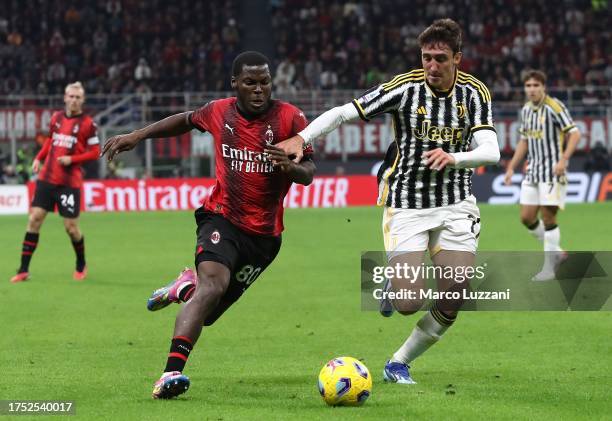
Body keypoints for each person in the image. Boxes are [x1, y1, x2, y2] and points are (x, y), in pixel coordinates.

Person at [276, 19, 500, 384]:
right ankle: (395, 286)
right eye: (426, 57)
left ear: (457, 58)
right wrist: (302, 136)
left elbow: (491, 151)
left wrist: (454, 158)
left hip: (456, 203)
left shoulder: (475, 94)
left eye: (440, 58)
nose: (431, 65)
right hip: (407, 204)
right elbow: (345, 112)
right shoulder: (404, 88)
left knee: (454, 295)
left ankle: (399, 362)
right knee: (409, 301)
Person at [101, 51, 315, 399]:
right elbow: (185, 120)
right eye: (250, 82)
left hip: (265, 237)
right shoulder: (219, 111)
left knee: (208, 311)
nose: (259, 89)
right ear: (235, 84)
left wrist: (291, 169)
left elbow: (309, 172)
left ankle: (184, 287)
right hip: (222, 218)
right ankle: (170, 373)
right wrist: (138, 135)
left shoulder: (291, 118)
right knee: (213, 286)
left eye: (265, 82)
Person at [10, 82, 100, 283]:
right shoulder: (56, 118)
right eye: (71, 96)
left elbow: (95, 152)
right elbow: (51, 141)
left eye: (78, 97)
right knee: (34, 219)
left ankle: (80, 264)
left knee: (71, 227)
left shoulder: (88, 124)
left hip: (69, 183)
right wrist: (39, 158)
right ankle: (23, 269)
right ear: (65, 97)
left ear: (82, 100)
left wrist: (72, 160)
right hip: (47, 178)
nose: (74, 100)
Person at [504, 70, 580, 281]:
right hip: (532, 171)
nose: (531, 89)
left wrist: (563, 159)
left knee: (548, 217)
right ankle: (557, 252)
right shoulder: (526, 110)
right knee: (526, 217)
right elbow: (524, 141)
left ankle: (549, 269)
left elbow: (574, 133)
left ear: (543, 87)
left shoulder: (555, 107)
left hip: (552, 172)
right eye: (528, 86)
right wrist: (511, 166)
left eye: (536, 85)